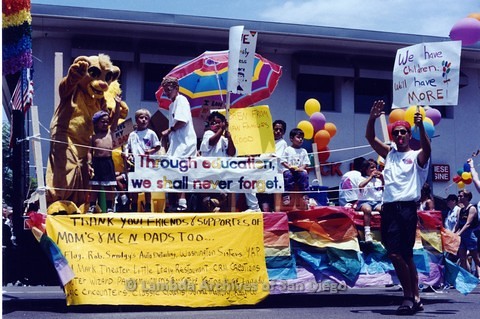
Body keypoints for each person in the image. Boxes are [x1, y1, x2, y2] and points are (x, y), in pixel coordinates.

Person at [366, 100, 430, 315]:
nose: (400, 136)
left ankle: (409, 297)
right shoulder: (390, 154)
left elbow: (427, 150)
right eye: (397, 133)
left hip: (407, 209)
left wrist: (421, 127)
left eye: (404, 132)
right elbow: (370, 138)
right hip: (389, 209)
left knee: (403, 254)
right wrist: (373, 118)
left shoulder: (415, 156)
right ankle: (414, 297)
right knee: (396, 253)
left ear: (409, 135)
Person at [160, 76, 197, 211]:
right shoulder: (171, 105)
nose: (167, 93)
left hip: (185, 143)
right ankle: (173, 202)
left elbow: (182, 121)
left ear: (176, 88)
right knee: (171, 170)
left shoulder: (181, 100)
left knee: (180, 170)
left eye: (169, 89)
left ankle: (182, 202)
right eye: (165, 91)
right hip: (176, 143)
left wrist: (169, 130)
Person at [86, 97, 122, 213]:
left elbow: (115, 119)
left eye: (107, 121)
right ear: (96, 123)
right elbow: (89, 152)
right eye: (102, 122)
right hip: (96, 162)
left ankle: (110, 207)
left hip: (108, 162)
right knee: (95, 186)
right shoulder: (93, 137)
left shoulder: (111, 132)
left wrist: (117, 104)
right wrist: (89, 164)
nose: (105, 123)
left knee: (109, 186)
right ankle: (92, 206)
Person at [199, 111, 236, 211]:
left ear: (223, 122)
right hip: (209, 173)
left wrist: (229, 138)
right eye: (212, 123)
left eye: (217, 122)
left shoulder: (224, 139)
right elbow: (211, 142)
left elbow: (231, 153)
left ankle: (215, 206)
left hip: (221, 173)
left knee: (222, 198)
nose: (214, 125)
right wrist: (222, 129)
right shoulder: (208, 133)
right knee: (207, 199)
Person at [126, 108, 161, 212]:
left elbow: (157, 146)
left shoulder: (151, 133)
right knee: (135, 186)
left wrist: (150, 151)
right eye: (141, 118)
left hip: (146, 163)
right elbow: (128, 147)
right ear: (137, 120)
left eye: (146, 118)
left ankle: (148, 206)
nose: (144, 120)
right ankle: (134, 206)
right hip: (134, 163)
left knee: (147, 185)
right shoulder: (132, 134)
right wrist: (127, 155)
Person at [258, 120, 287, 212]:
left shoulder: (282, 143)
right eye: (276, 129)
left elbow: (275, 157)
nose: (278, 131)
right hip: (264, 170)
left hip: (276, 171)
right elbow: (262, 156)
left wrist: (265, 157)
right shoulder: (266, 142)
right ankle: (263, 208)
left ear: (283, 132)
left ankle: (271, 209)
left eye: (280, 130)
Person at [281, 128, 310, 210]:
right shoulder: (287, 149)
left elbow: (306, 163)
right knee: (287, 175)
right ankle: (286, 195)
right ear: (291, 138)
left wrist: (301, 168)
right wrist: (289, 167)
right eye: (298, 137)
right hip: (289, 170)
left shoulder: (303, 151)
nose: (300, 139)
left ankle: (305, 195)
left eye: (302, 138)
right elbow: (283, 161)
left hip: (299, 170)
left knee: (304, 174)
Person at [454, 189, 480, 278]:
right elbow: (457, 224)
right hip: (462, 237)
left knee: (476, 259)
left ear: (467, 197)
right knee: (462, 258)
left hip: (470, 236)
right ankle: (466, 277)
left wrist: (459, 233)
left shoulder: (472, 208)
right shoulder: (461, 210)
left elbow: (468, 223)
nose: (459, 197)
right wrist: (453, 233)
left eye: (461, 196)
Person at [357, 158, 384, 242]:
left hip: (377, 202)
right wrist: (370, 177)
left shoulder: (378, 180)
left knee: (385, 210)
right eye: (372, 167)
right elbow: (361, 186)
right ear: (366, 169)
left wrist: (382, 179)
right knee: (367, 209)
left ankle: (385, 230)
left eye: (375, 167)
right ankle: (367, 233)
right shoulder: (362, 178)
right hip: (365, 201)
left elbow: (384, 189)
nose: (374, 169)